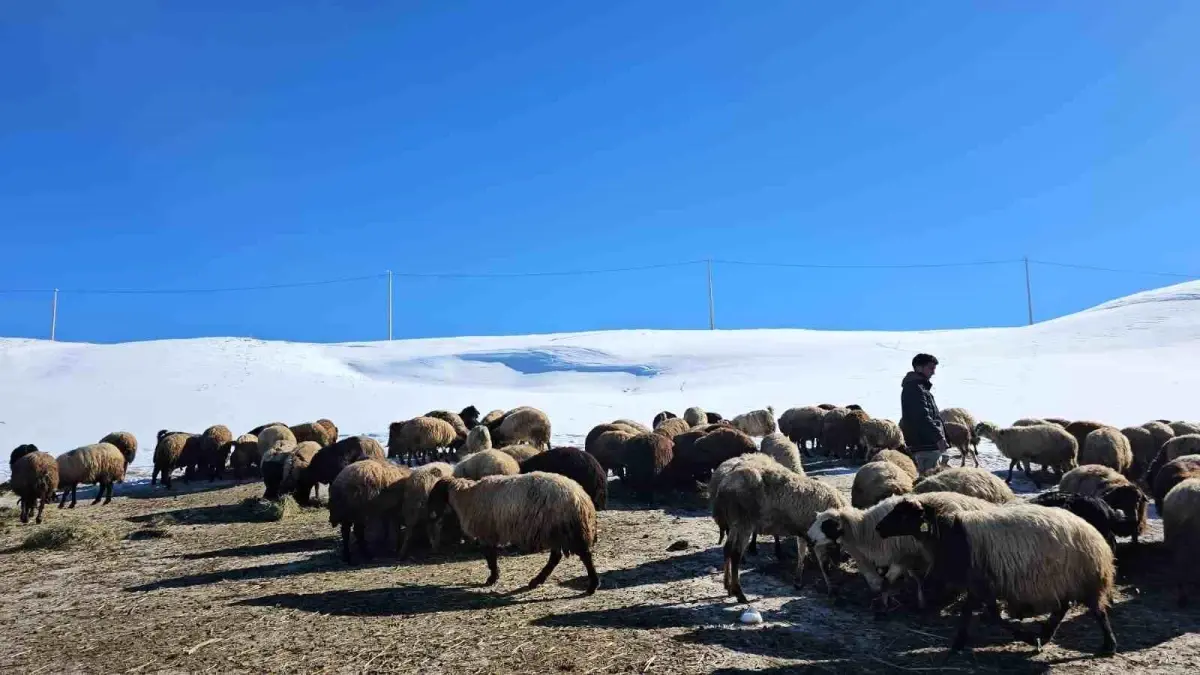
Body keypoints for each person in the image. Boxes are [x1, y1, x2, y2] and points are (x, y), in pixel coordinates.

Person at [900, 353, 947, 456]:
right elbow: (921, 416)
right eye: (931, 368)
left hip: (928, 444)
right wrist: (938, 437)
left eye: (934, 369)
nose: (933, 372)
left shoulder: (921, 388)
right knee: (929, 472)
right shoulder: (914, 388)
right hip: (924, 446)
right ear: (919, 368)